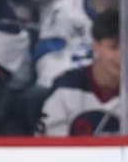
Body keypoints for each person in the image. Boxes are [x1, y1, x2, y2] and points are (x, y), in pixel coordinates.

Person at [37, 7, 121, 135]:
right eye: (113, 47)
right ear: (95, 46)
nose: (122, 55)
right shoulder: (67, 85)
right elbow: (50, 146)